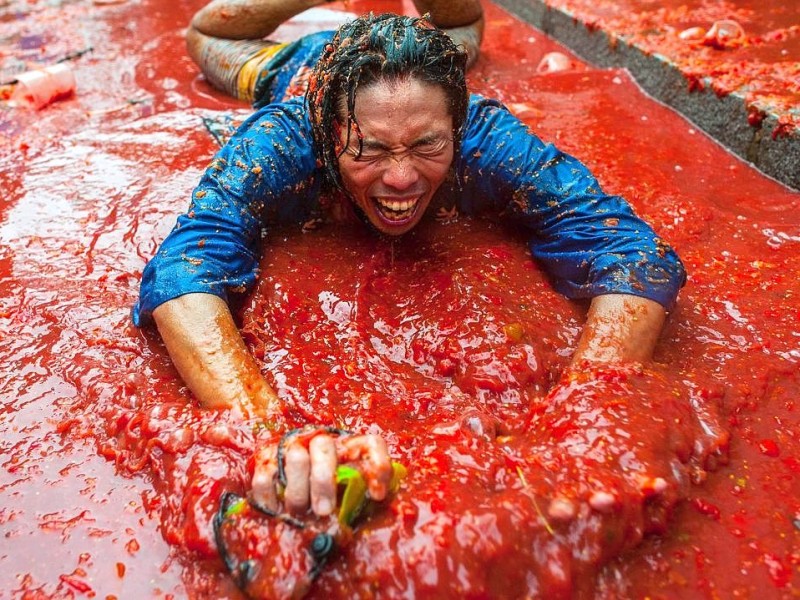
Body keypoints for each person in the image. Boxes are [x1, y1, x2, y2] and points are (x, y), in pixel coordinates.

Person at [134, 0, 687, 537]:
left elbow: (633, 253)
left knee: (467, 25)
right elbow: (186, 268)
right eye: (369, 150)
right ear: (327, 139)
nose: (401, 179)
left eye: (426, 145)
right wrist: (270, 436)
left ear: (457, 124)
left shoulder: (487, 137)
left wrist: (584, 413)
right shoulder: (281, 138)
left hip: (431, 56)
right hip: (295, 65)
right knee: (206, 37)